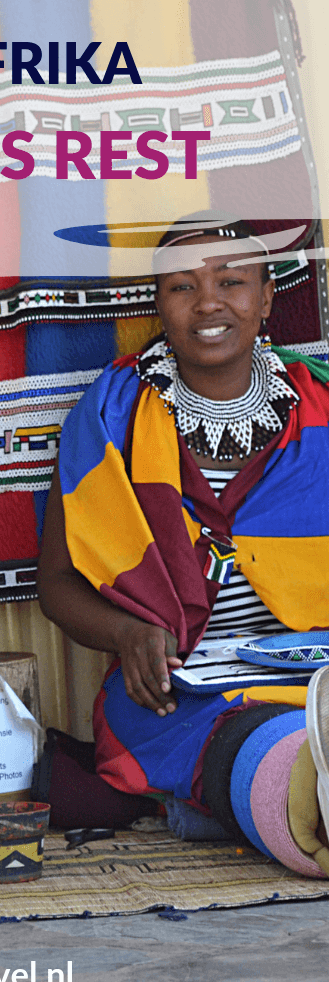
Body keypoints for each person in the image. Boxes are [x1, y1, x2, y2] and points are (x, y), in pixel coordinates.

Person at [37, 215, 329, 874]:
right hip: (177, 691)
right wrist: (124, 634)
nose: (208, 303)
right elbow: (55, 582)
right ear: (157, 304)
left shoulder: (320, 406)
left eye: (231, 281)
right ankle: (289, 796)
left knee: (312, 718)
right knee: (265, 744)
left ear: (265, 301)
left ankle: (228, 800)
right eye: (180, 286)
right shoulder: (109, 414)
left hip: (317, 677)